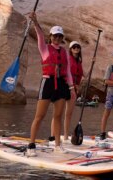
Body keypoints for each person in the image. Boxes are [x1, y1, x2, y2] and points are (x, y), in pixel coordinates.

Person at [26, 12, 76, 156]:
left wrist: (71, 88)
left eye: (60, 36)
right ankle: (31, 145)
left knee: (58, 116)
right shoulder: (44, 48)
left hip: (61, 84)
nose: (57, 38)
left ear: (62, 38)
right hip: (47, 83)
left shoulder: (65, 52)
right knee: (39, 116)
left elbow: (67, 70)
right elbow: (40, 36)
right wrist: (35, 22)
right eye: (55, 36)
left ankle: (57, 145)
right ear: (51, 37)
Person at [49, 41, 84, 143]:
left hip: (74, 88)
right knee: (58, 113)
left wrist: (77, 85)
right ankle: (52, 136)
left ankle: (65, 136)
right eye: (74, 47)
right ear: (70, 49)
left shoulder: (79, 61)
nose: (76, 48)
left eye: (78, 47)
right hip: (64, 86)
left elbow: (82, 74)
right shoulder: (67, 58)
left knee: (68, 114)